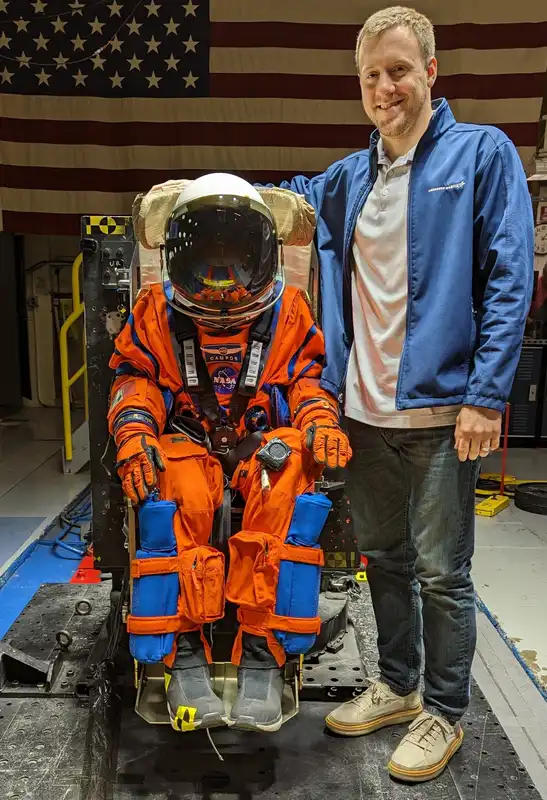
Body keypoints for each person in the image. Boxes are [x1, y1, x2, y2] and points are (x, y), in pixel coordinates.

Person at [274, 4, 534, 784]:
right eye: (370, 76)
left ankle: (443, 713)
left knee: (441, 573)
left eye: (397, 70)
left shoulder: (480, 153)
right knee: (381, 559)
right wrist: (198, 191)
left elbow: (509, 279)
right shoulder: (347, 179)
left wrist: (485, 396)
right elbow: (282, 201)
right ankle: (397, 684)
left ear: (429, 71)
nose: (384, 88)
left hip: (444, 411)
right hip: (361, 411)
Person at [107, 173, 351, 734]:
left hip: (259, 447)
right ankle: (185, 652)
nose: (221, 285)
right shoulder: (155, 313)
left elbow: (307, 383)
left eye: (235, 265)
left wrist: (320, 422)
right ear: (180, 259)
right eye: (208, 266)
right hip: (187, 443)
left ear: (261, 256)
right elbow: (136, 381)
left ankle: (263, 652)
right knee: (176, 485)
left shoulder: (288, 312)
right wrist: (134, 433)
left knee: (290, 469)